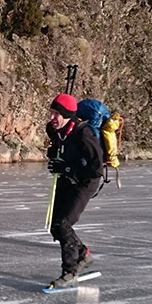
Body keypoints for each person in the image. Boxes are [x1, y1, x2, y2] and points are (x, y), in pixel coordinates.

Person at [45, 93, 103, 288]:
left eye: (56, 114)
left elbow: (96, 168)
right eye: (51, 112)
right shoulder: (54, 130)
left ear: (68, 115)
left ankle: (70, 270)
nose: (52, 117)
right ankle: (83, 254)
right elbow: (57, 147)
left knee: (63, 224)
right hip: (67, 179)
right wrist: (53, 154)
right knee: (55, 226)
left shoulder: (84, 134)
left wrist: (67, 167)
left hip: (86, 181)